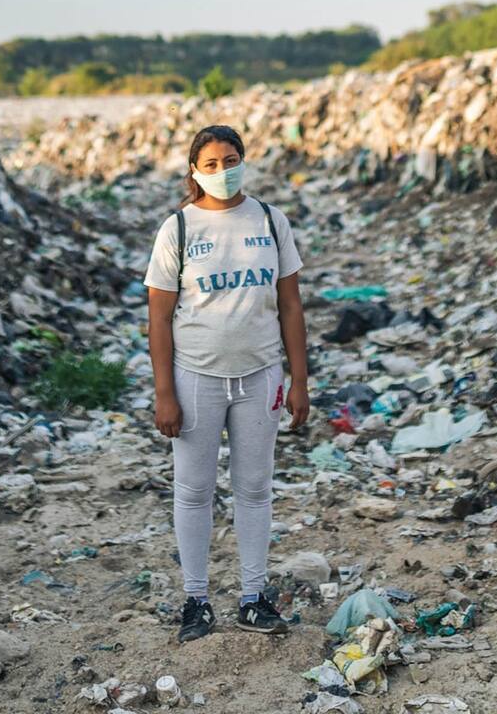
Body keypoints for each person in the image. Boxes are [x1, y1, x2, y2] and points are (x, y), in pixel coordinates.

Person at [144, 124, 310, 643]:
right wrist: (165, 392)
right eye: (211, 163)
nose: (223, 170)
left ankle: (253, 599)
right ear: (195, 170)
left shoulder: (268, 219)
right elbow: (158, 318)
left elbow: (290, 305)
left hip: (261, 374)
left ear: (245, 160)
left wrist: (300, 381)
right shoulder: (179, 228)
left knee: (255, 489)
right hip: (197, 378)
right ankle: (196, 601)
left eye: (231, 159)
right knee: (194, 491)